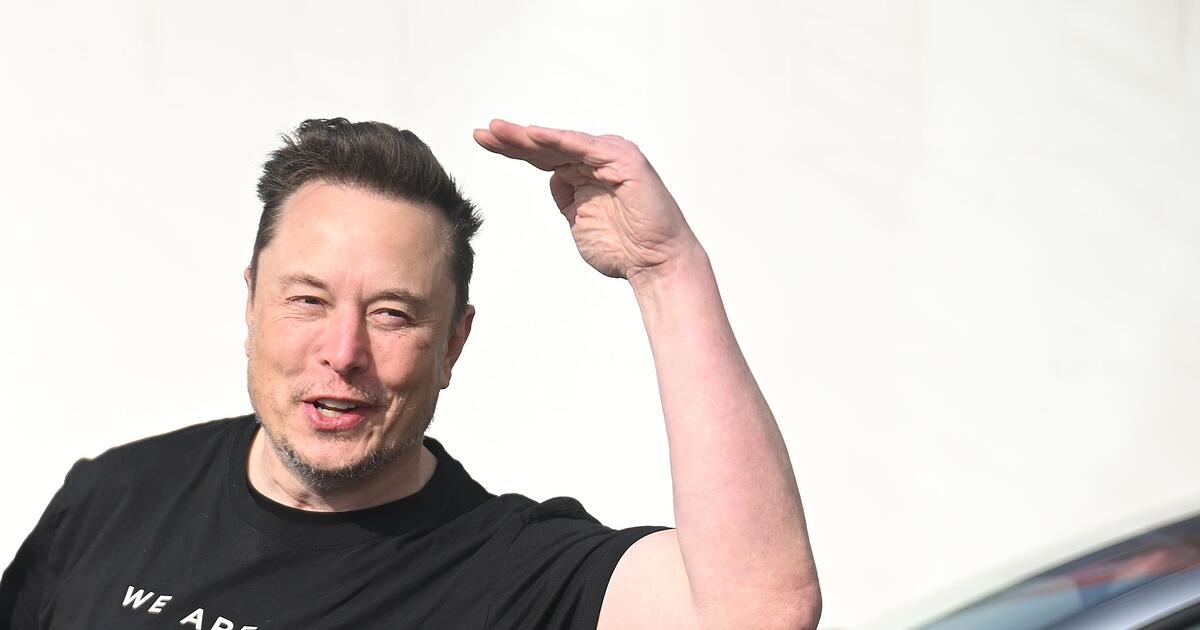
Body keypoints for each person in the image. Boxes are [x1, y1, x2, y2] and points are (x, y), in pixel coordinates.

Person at [0, 118, 821, 629]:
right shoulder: (115, 495)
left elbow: (757, 611)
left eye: (392, 314)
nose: (344, 351)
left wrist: (666, 271)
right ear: (251, 305)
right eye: (308, 300)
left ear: (454, 345)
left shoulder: (507, 576)